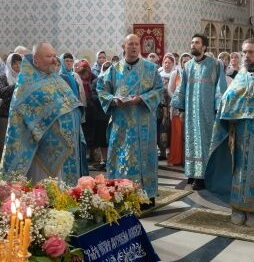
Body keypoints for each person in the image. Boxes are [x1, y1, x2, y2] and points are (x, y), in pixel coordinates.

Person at [205, 38, 254, 228]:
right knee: (240, 170)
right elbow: (227, 98)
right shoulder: (240, 76)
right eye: (244, 52)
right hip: (240, 131)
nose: (247, 56)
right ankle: (239, 208)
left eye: (251, 52)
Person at [0, 42, 86, 185]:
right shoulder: (26, 84)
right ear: (36, 60)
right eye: (48, 56)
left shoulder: (55, 78)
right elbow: (25, 118)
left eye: (54, 55)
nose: (54, 59)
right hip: (43, 153)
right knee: (46, 192)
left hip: (68, 151)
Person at [96, 34, 163, 202]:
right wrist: (113, 100)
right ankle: (121, 194)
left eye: (136, 44)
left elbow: (159, 90)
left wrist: (142, 99)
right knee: (121, 158)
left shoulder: (150, 68)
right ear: (123, 46)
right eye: (130, 44)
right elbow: (101, 89)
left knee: (145, 159)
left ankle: (147, 195)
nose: (134, 47)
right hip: (121, 124)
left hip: (144, 123)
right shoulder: (114, 69)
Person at [171, 34, 227, 190]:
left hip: (207, 112)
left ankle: (203, 176)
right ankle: (192, 173)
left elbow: (220, 88)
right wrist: (180, 108)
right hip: (190, 111)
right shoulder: (187, 66)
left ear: (204, 47)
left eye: (197, 43)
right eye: (192, 42)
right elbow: (182, 87)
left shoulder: (215, 64)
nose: (193, 45)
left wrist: (218, 110)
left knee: (204, 142)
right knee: (190, 141)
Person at [167, 53, 189, 167]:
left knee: (188, 135)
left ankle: (187, 159)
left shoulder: (193, 73)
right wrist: (179, 100)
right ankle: (176, 158)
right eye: (183, 61)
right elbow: (170, 90)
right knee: (177, 134)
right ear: (180, 62)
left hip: (190, 109)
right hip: (177, 109)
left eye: (187, 61)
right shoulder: (175, 73)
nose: (185, 63)